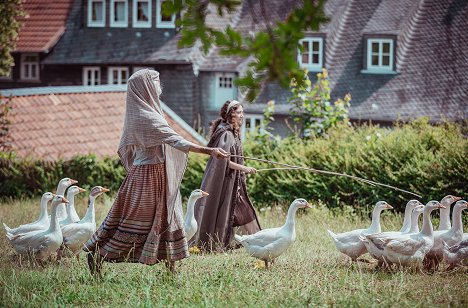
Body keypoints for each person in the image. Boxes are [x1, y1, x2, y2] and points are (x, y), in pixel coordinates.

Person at [84, 69, 228, 274]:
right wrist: (210, 151)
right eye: (155, 82)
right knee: (137, 221)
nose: (159, 86)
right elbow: (176, 140)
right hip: (148, 176)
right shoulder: (146, 117)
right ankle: (99, 255)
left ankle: (171, 269)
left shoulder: (147, 112)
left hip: (158, 174)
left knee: (169, 217)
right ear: (146, 87)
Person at [191, 100, 261, 252]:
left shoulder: (232, 132)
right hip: (226, 183)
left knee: (242, 211)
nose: (242, 116)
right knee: (240, 211)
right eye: (239, 113)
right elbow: (225, 162)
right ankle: (260, 244)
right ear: (231, 115)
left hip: (233, 182)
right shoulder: (226, 134)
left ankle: (258, 243)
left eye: (243, 112)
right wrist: (245, 168)